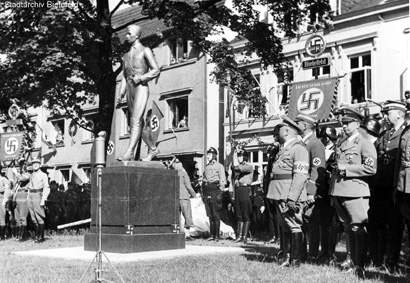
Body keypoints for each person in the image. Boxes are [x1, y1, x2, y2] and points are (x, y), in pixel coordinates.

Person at [329, 107, 377, 279]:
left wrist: (347, 168)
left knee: (358, 228)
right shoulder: (342, 143)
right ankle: (353, 262)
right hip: (340, 190)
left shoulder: (364, 143)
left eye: (348, 123)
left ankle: (360, 265)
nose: (344, 126)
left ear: (357, 123)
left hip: (356, 191)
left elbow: (371, 168)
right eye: (343, 123)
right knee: (348, 228)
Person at [368, 101, 406, 271]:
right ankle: (379, 258)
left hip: (395, 186)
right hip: (380, 186)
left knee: (395, 226)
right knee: (377, 223)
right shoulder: (384, 134)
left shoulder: (406, 133)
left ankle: (392, 261)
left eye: (388, 112)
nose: (385, 116)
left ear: (399, 113)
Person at [267, 116, 309, 267]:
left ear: (286, 131)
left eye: (278, 131)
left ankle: (295, 260)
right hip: (279, 193)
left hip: (289, 194)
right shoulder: (284, 149)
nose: (276, 134)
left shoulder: (299, 149)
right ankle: (286, 257)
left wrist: (292, 198)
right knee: (285, 225)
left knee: (294, 225)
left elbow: (300, 176)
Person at [117, 24, 161, 162]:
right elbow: (124, 76)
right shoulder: (126, 55)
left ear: (136, 35)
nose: (126, 36)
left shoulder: (145, 50)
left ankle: (130, 152)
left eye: (129, 34)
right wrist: (121, 93)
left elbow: (156, 70)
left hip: (141, 87)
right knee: (137, 123)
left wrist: (141, 78)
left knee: (135, 121)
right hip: (130, 89)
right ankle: (153, 149)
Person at [294, 113, 326, 263]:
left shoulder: (315, 144)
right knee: (301, 222)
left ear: (305, 125)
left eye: (298, 123)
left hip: (309, 190)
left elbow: (317, 168)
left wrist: (311, 192)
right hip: (300, 188)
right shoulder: (302, 144)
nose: (297, 125)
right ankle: (302, 253)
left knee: (311, 222)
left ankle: (312, 254)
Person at [171, 158, 199, 241]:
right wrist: (194, 195)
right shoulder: (184, 174)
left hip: (175, 198)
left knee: (176, 217)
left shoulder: (172, 174)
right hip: (184, 197)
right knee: (187, 216)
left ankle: (177, 233)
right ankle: (187, 235)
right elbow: (189, 187)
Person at [202, 147, 226, 241]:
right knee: (210, 214)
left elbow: (222, 180)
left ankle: (216, 235)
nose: (207, 156)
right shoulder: (207, 167)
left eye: (209, 154)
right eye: (207, 154)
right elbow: (204, 179)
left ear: (214, 156)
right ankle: (211, 235)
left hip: (215, 190)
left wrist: (221, 192)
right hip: (207, 190)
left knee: (216, 214)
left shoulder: (219, 166)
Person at [231, 149, 253, 244]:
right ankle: (239, 235)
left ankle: (244, 236)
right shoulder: (237, 167)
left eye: (240, 156)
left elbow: (240, 169)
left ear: (244, 157)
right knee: (239, 214)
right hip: (238, 190)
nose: (238, 158)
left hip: (245, 190)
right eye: (238, 156)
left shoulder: (249, 166)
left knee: (246, 214)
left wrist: (233, 167)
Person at [28, 158, 50, 243]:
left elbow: (46, 187)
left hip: (38, 195)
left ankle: (41, 237)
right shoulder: (31, 175)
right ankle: (36, 236)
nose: (35, 165)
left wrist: (44, 198)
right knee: (33, 217)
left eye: (37, 163)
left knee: (39, 216)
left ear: (40, 165)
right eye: (33, 164)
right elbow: (29, 187)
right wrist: (28, 197)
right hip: (31, 196)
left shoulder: (43, 175)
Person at [11, 160, 31, 241]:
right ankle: (18, 235)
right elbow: (14, 187)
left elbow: (23, 179)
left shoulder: (28, 175)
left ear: (26, 167)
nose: (21, 167)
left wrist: (16, 173)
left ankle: (22, 236)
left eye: (23, 165)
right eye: (20, 165)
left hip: (24, 195)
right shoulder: (18, 175)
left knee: (23, 217)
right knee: (17, 217)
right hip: (17, 196)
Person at [0, 165, 11, 240]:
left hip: (1, 198)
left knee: (1, 218)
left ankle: (2, 235)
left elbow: (8, 190)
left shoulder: (3, 179)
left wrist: (5, 199)